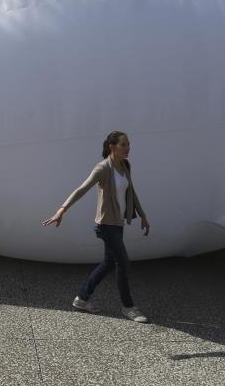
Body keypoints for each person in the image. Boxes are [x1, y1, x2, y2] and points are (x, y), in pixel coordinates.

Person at [42, 131, 150, 323]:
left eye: (128, 144)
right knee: (123, 263)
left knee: (109, 262)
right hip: (106, 224)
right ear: (112, 146)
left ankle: (82, 298)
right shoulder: (103, 168)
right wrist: (61, 210)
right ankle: (129, 307)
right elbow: (81, 189)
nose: (128, 148)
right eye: (124, 144)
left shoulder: (125, 165)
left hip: (118, 224)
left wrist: (142, 215)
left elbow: (131, 191)